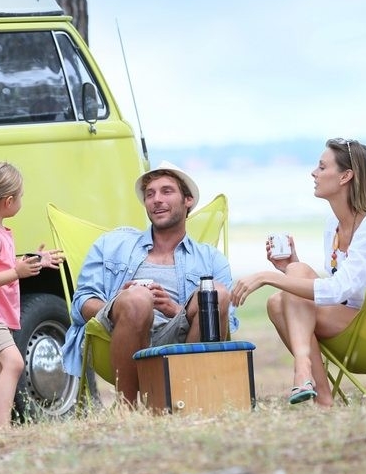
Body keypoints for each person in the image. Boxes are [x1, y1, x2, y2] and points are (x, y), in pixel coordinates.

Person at [230, 138, 366, 408]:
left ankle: (303, 369)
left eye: (321, 167)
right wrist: (289, 268)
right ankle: (323, 397)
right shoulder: (333, 224)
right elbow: (339, 291)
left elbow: (338, 290)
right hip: (352, 324)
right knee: (279, 296)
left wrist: (267, 277)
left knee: (281, 293)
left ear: (345, 176)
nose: (313, 173)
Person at [61, 161, 236, 405]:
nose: (156, 199)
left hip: (182, 336)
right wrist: (120, 304)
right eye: (150, 194)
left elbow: (229, 322)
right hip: (118, 334)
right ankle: (128, 407)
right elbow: (80, 303)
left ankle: (187, 399)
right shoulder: (113, 244)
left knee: (215, 293)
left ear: (188, 200)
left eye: (166, 191)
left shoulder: (209, 258)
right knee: (138, 299)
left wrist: (175, 310)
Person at [0, 162, 62, 427]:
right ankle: (3, 429)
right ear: (8, 201)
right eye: (21, 196)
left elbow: (3, 265)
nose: (21, 201)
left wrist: (36, 259)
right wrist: (17, 273)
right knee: (15, 363)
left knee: (1, 370)